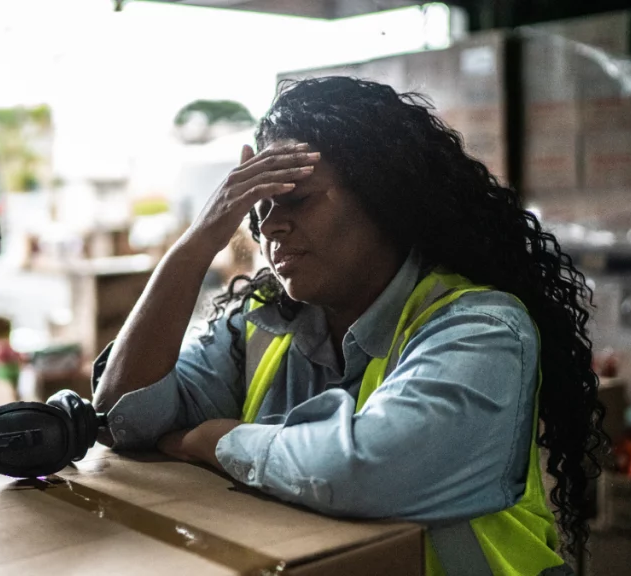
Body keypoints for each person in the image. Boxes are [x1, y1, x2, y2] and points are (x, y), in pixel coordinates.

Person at [92, 77, 605, 576]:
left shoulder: (481, 327)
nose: (269, 226)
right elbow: (125, 418)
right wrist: (198, 242)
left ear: (385, 197)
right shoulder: (263, 326)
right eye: (260, 207)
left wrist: (213, 441)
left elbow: (366, 470)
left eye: (296, 199)